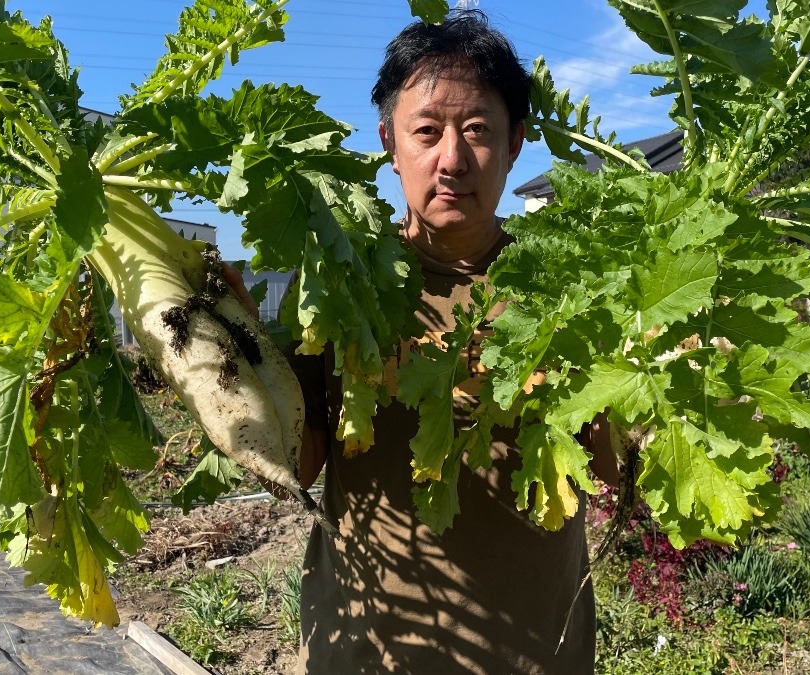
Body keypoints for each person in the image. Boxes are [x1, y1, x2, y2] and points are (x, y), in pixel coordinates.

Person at [225, 11, 619, 674]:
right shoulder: (338, 279)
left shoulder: (570, 288)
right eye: (428, 131)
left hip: (533, 653)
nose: (452, 159)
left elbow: (614, 467)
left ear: (517, 140)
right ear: (389, 140)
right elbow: (299, 463)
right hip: (363, 652)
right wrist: (235, 353)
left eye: (477, 131)